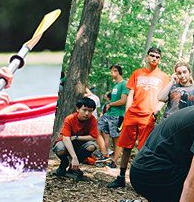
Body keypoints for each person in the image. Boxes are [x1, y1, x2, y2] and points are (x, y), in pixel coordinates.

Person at [107, 47, 171, 188]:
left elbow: (164, 97)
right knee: (126, 146)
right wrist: (128, 111)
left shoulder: (163, 76)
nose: (154, 58)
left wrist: (156, 112)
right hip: (132, 114)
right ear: (147, 56)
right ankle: (121, 177)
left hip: (148, 116)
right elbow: (130, 94)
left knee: (143, 149)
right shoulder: (137, 73)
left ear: (160, 60)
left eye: (158, 57)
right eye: (152, 56)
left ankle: (139, 180)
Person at [50, 97, 99, 178]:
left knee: (92, 146)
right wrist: (74, 157)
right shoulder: (70, 119)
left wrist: (76, 137)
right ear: (78, 109)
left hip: (80, 146)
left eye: (90, 111)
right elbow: (66, 139)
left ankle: (73, 168)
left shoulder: (92, 120)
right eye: (84, 110)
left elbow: (94, 137)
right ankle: (64, 163)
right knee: (59, 148)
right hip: (67, 145)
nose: (87, 113)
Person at [98, 65, 129, 164]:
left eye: (112, 72)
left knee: (116, 138)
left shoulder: (124, 84)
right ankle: (105, 154)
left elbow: (123, 101)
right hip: (109, 113)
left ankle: (114, 162)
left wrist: (110, 104)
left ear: (117, 72)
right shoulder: (115, 85)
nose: (111, 74)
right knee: (96, 130)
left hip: (118, 114)